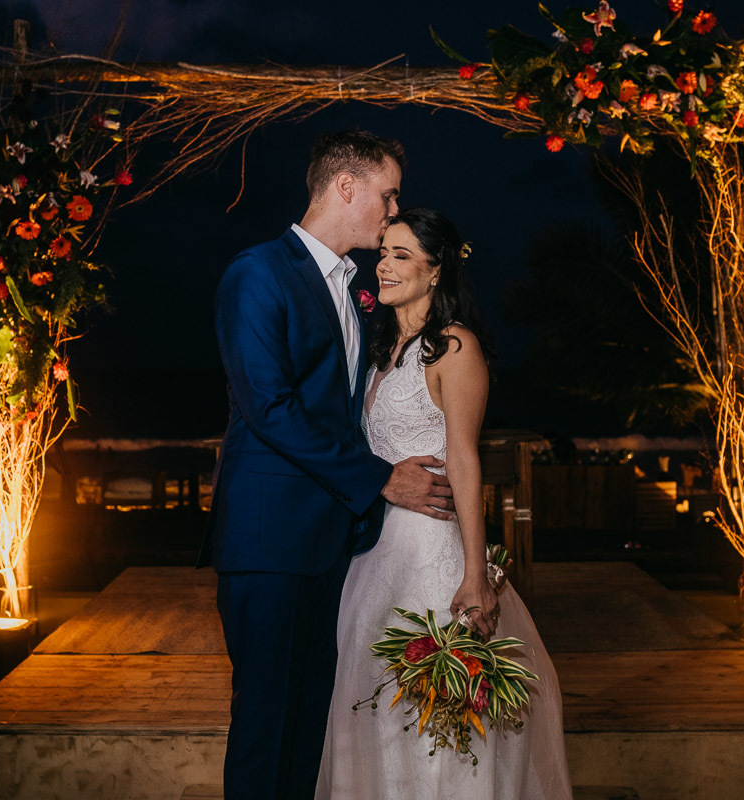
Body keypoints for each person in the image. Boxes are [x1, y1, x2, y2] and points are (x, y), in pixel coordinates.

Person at [200, 131, 455, 800]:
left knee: (310, 719)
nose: (394, 210)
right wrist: (382, 477)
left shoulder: (354, 290)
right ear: (347, 187)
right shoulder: (256, 272)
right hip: (269, 542)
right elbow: (271, 409)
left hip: (330, 543)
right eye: (388, 194)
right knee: (265, 722)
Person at [315, 209, 573, 799]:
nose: (383, 263)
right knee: (374, 708)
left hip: (432, 557)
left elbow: (464, 460)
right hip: (373, 557)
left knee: (443, 718)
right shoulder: (381, 351)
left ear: (436, 273)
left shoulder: (454, 347)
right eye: (383, 251)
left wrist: (476, 574)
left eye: (402, 255)